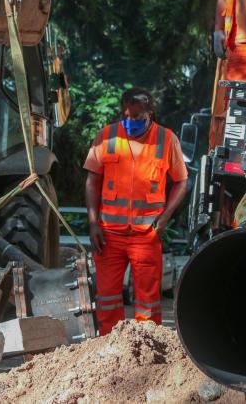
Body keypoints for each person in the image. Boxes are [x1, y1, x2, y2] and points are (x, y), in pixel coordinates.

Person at [84, 88, 188, 335]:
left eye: (137, 117)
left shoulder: (166, 139)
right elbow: (92, 180)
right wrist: (92, 222)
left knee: (148, 303)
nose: (130, 122)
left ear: (150, 114)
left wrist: (164, 219)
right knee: (107, 298)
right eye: (126, 116)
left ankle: (147, 348)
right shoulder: (106, 137)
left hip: (146, 234)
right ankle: (107, 345)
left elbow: (182, 182)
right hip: (109, 236)